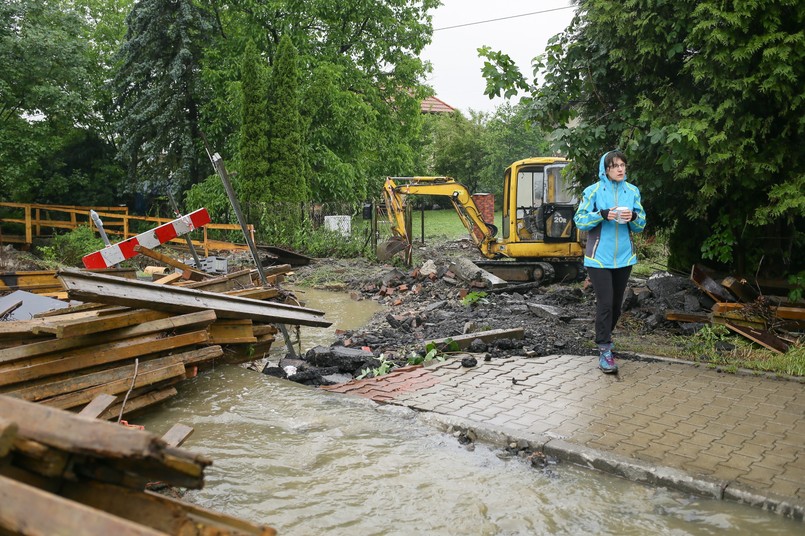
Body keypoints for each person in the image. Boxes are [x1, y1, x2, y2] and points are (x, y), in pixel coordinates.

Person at [573, 150, 646, 374]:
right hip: (598, 258)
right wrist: (601, 214)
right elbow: (579, 220)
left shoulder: (632, 191)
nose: (620, 169)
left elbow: (641, 224)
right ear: (606, 170)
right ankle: (604, 349)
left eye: (623, 165)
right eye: (615, 166)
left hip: (624, 258)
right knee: (605, 303)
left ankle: (605, 338)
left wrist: (634, 217)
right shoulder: (593, 191)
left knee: (616, 305)